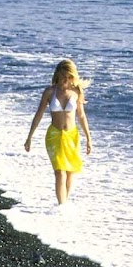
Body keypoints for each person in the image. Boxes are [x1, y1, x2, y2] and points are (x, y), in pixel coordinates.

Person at [24, 59, 92, 204]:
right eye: (62, 77)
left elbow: (81, 116)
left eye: (68, 77)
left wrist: (88, 138)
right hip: (54, 136)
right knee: (59, 173)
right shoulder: (49, 92)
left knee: (70, 173)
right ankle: (61, 206)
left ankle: (64, 204)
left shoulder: (76, 92)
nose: (64, 80)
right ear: (57, 75)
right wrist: (29, 137)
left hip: (72, 136)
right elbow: (39, 114)